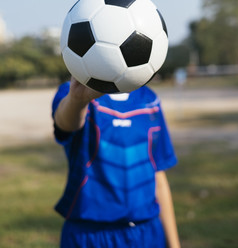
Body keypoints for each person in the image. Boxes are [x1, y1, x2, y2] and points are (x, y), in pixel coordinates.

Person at [52, 77, 181, 248]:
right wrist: (77, 100)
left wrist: (174, 244)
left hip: (146, 232)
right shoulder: (74, 91)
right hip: (89, 234)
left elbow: (159, 178)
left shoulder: (150, 100)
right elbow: (65, 125)